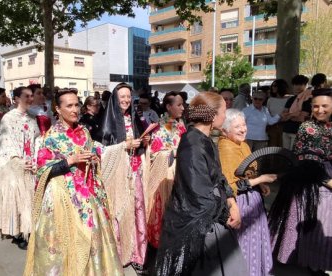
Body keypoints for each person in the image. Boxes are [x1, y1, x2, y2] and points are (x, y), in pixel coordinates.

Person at [24, 89, 123, 275]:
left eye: (76, 104)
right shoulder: (50, 137)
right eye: (69, 105)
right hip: (63, 197)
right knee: (66, 244)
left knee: (93, 237)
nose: (74, 109)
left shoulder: (84, 131)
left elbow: (92, 154)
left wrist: (92, 159)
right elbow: (42, 170)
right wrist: (70, 160)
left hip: (87, 194)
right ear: (58, 109)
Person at [155, 92, 247, 275]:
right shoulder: (192, 143)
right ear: (213, 116)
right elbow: (198, 193)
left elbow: (219, 176)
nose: (225, 115)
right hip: (197, 226)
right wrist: (225, 212)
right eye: (223, 111)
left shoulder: (205, 139)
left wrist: (232, 201)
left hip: (210, 217)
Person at [270, 88, 332, 275]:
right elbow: (306, 162)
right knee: (315, 225)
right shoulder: (307, 128)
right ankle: (314, 264)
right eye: (316, 106)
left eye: (325, 106)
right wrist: (328, 181)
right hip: (313, 183)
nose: (320, 110)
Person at [219, 108, 277, 276]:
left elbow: (249, 172)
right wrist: (260, 180)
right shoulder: (226, 148)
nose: (243, 129)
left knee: (253, 239)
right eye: (237, 127)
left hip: (252, 199)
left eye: (244, 125)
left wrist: (260, 185)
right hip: (240, 203)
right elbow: (230, 185)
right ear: (226, 129)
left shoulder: (242, 144)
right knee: (245, 240)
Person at [99, 82, 150, 270]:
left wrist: (144, 141)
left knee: (136, 211)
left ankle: (136, 252)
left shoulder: (133, 117)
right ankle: (119, 252)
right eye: (123, 97)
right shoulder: (106, 120)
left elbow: (139, 144)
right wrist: (123, 147)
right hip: (117, 176)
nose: (126, 100)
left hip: (135, 171)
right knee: (119, 212)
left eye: (129, 97)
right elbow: (101, 151)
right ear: (115, 98)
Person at [0, 86, 40, 249]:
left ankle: (29, 230)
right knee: (17, 198)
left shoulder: (32, 117)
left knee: (29, 198)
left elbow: (37, 138)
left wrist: (37, 155)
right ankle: (18, 232)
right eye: (26, 96)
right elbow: (6, 142)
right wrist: (17, 160)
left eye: (32, 96)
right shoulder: (8, 118)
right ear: (16, 98)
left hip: (30, 161)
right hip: (14, 165)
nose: (30, 99)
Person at [147, 91, 186, 249]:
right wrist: (176, 152)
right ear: (169, 107)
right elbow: (155, 153)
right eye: (179, 105)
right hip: (168, 174)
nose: (183, 108)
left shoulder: (177, 123)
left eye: (183, 104)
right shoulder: (164, 126)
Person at [282, 75, 311, 150]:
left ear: (305, 85)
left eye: (301, 84)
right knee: (285, 155)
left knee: (294, 156)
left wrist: (289, 116)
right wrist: (294, 115)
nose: (298, 87)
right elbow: (283, 116)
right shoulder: (291, 99)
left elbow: (302, 118)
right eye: (296, 84)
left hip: (298, 132)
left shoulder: (308, 99)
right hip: (286, 130)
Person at [267, 79, 290, 147]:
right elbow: (268, 113)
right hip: (272, 126)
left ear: (281, 86)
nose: (273, 87)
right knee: (272, 148)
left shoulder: (289, 99)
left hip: (284, 126)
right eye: (272, 86)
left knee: (283, 148)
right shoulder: (270, 100)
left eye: (275, 86)